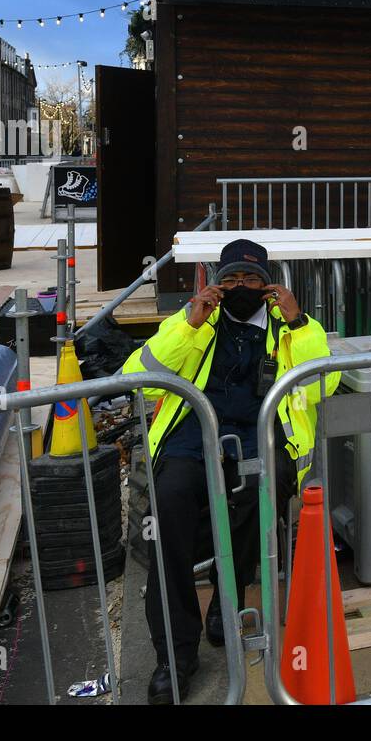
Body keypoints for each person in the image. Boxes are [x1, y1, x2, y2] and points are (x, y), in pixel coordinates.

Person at [121, 239, 339, 704]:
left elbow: (323, 383)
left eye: (251, 279)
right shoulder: (195, 323)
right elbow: (137, 378)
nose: (241, 287)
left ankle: (228, 602)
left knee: (255, 493)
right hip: (193, 441)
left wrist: (298, 322)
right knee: (168, 509)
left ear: (268, 284)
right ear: (217, 284)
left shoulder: (295, 328)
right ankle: (176, 655)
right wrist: (188, 324)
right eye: (232, 279)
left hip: (262, 438)